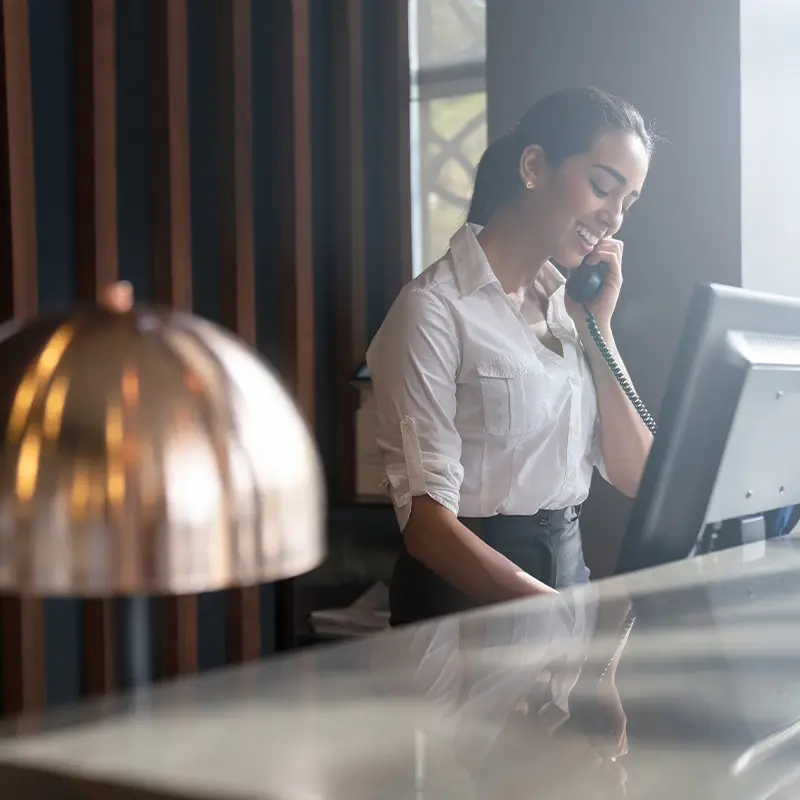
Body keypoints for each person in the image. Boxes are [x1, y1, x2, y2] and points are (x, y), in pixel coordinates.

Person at [366, 87, 656, 625]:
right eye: (602, 187)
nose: (613, 218)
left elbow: (639, 474)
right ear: (533, 167)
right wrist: (553, 612)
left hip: (568, 577)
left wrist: (599, 331)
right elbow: (428, 526)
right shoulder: (433, 310)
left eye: (627, 203)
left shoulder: (570, 311)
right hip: (466, 604)